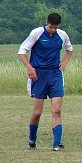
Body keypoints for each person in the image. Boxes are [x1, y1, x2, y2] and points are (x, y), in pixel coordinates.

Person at [18, 12, 73, 151]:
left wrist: (65, 62)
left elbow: (69, 49)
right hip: (38, 75)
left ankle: (57, 144)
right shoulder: (36, 33)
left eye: (55, 27)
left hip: (55, 74)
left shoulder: (62, 35)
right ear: (46, 22)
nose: (53, 30)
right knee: (37, 113)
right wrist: (29, 67)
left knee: (57, 110)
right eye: (50, 27)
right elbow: (22, 51)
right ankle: (32, 140)